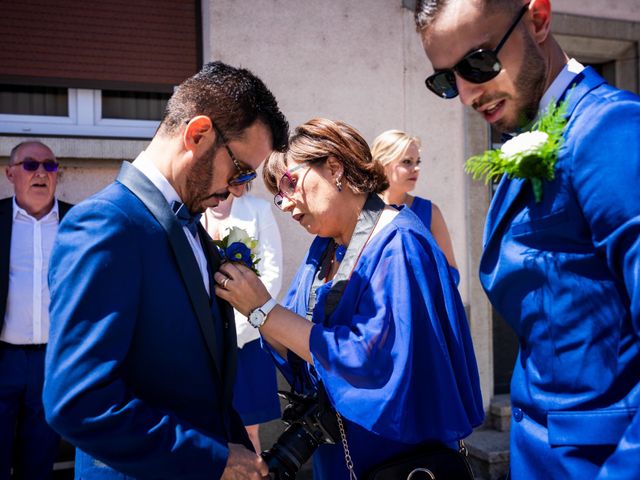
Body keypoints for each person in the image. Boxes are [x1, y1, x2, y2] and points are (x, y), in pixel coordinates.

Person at [415, 0, 640, 478]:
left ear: (537, 19)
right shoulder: (534, 129)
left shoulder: (612, 130)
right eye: (445, 80)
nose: (467, 93)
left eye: (478, 62)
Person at [43, 61, 289, 480]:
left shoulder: (192, 229)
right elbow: (78, 401)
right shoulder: (106, 224)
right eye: (240, 169)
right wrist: (213, 458)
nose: (237, 186)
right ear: (197, 135)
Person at [214, 118, 484, 479]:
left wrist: (263, 310)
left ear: (335, 167)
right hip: (338, 454)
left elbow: (371, 359)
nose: (286, 204)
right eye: (278, 195)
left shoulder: (399, 244)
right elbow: (294, 343)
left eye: (291, 184)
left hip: (395, 457)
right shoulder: (324, 246)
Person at [0, 141, 70, 480]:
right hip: (3, 359)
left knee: (40, 458)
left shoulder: (78, 222)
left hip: (53, 361)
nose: (41, 172)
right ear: (10, 173)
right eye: (30, 165)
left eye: (50, 166)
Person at [201, 184, 283, 452]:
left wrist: (243, 326)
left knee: (247, 429)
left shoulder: (258, 210)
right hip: (206, 341)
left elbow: (272, 273)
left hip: (247, 337)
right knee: (207, 426)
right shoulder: (193, 210)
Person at [371, 129, 459, 284]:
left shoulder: (430, 212)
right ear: (383, 165)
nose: (416, 168)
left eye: (417, 162)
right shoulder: (364, 210)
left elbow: (451, 272)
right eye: (407, 162)